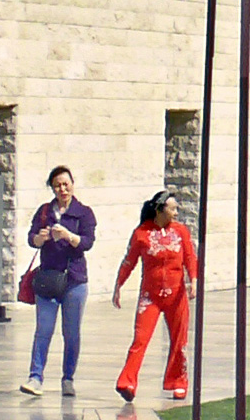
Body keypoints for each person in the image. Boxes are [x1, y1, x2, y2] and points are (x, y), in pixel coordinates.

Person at [112, 190, 199, 405]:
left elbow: (190, 256)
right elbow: (129, 261)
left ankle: (178, 381)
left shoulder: (181, 232)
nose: (177, 213)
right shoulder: (141, 233)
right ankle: (127, 381)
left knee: (179, 341)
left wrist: (194, 280)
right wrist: (118, 285)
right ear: (160, 209)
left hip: (176, 294)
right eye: (173, 208)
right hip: (150, 296)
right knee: (140, 339)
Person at [20, 165, 97, 396]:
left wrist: (68, 236)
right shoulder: (44, 211)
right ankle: (35, 378)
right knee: (43, 330)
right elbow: (31, 239)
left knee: (71, 333)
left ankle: (68, 378)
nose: (62, 189)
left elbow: (87, 242)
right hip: (48, 280)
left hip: (74, 280)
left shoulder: (83, 213)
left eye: (66, 184)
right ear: (52, 189)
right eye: (57, 186)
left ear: (72, 184)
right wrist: (40, 238)